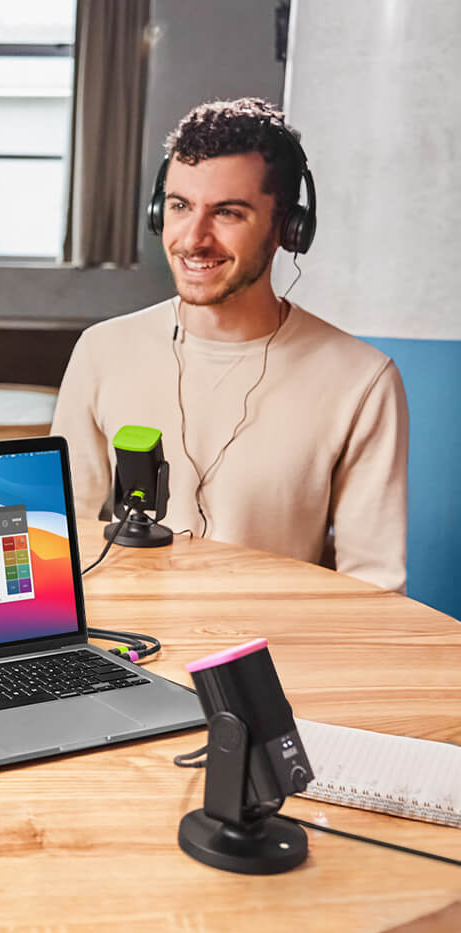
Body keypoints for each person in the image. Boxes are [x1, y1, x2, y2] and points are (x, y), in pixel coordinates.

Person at [51, 98, 408, 591]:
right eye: (179, 206)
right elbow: (63, 546)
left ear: (287, 228)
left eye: (228, 213)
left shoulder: (362, 381)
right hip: (123, 651)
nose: (194, 238)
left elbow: (374, 589)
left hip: (271, 658)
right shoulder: (101, 351)